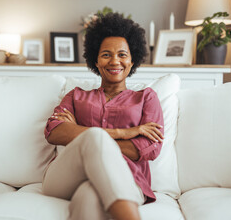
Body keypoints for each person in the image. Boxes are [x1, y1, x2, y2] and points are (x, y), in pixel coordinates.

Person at [42, 13, 164, 220]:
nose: (115, 61)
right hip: (66, 177)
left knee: (88, 196)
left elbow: (146, 148)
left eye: (122, 55)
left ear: (132, 60)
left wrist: (81, 136)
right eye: (106, 54)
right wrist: (125, 133)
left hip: (128, 179)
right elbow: (54, 132)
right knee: (94, 137)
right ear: (96, 61)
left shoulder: (146, 98)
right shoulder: (75, 96)